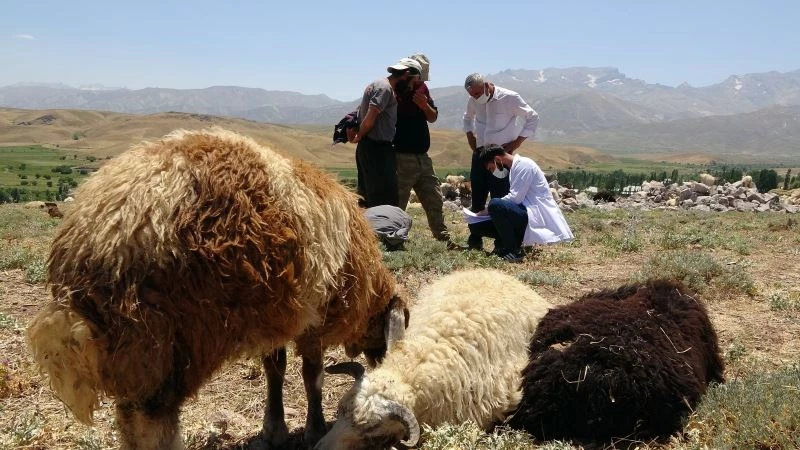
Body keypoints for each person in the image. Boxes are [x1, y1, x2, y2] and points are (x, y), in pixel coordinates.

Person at [393, 53, 461, 250]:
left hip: (423, 156)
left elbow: (432, 117)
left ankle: (443, 238)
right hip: (401, 156)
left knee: (434, 197)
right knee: (399, 201)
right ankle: (394, 241)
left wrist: (424, 106)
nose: (419, 80)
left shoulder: (423, 89)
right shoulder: (395, 91)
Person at [467, 145, 574, 262]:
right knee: (476, 226)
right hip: (524, 213)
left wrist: (487, 210)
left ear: (497, 159)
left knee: (495, 204)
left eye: (492, 168)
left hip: (534, 215)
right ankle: (509, 243)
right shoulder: (515, 168)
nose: (493, 172)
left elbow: (515, 198)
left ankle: (512, 250)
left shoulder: (524, 165)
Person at [462, 73, 539, 213]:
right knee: (478, 194)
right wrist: (469, 135)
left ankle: (500, 232)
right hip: (479, 154)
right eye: (472, 94)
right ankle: (476, 232)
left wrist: (517, 143)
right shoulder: (473, 99)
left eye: (478, 93)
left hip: (500, 157)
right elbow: (467, 118)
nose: (475, 97)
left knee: (500, 195)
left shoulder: (509, 98)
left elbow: (532, 117)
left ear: (487, 85)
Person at [352, 58, 422, 207]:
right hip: (377, 150)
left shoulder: (376, 84)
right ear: (406, 74)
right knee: (384, 199)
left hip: (369, 148)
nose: (411, 86)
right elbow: (372, 115)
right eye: (412, 82)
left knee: (368, 195)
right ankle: (380, 230)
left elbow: (360, 111)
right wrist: (360, 135)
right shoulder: (385, 88)